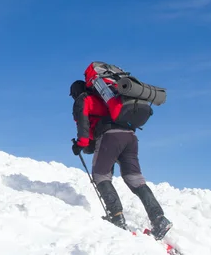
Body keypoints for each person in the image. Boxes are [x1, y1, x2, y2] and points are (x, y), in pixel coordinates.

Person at [69, 79, 172, 240]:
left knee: (101, 176)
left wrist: (81, 144)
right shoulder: (108, 99)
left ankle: (116, 218)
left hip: (110, 137)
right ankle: (159, 219)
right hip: (130, 137)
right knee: (135, 179)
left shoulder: (84, 99)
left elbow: (83, 123)